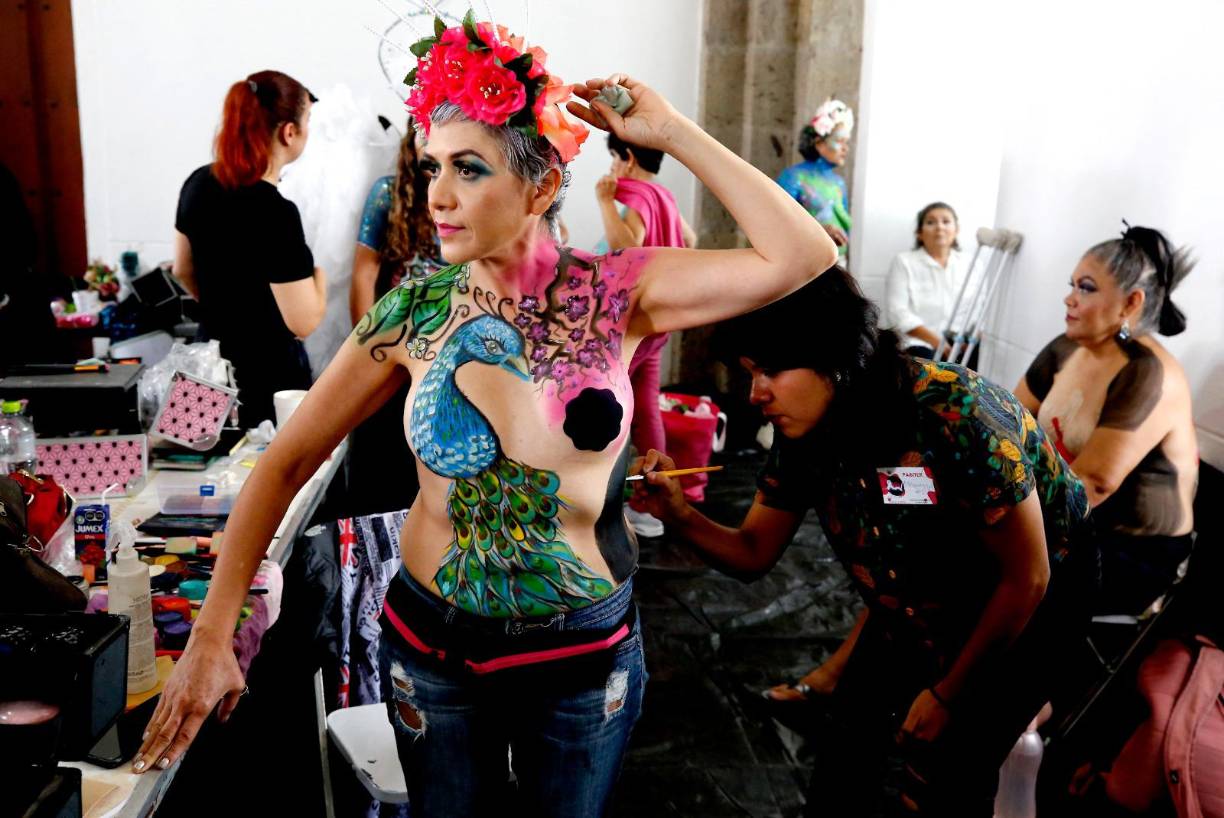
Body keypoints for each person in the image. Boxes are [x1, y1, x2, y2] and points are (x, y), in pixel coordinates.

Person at [135, 15, 838, 817]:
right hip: (434, 654)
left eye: (468, 169)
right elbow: (288, 461)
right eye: (433, 166)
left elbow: (805, 255)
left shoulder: (619, 291)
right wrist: (211, 635)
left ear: (540, 187)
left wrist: (673, 132)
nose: (437, 194)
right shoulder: (415, 310)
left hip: (582, 658)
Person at [632, 269, 1095, 816]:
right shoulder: (804, 429)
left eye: (772, 370)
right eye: (751, 373)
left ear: (834, 358)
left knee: (948, 770)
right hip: (920, 592)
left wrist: (947, 694)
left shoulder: (956, 412)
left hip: (1030, 604)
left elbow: (1028, 577)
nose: (756, 393)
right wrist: (680, 515)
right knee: (849, 750)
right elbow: (754, 552)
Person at [1015, 223, 1197, 615]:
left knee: (993, 568)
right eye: (1072, 285)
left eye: (1086, 288)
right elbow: (1009, 420)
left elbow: (1094, 484)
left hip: (1131, 551)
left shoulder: (1147, 373)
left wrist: (1004, 513)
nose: (1069, 298)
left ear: (1131, 303)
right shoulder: (1066, 348)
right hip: (1072, 519)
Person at [173, 70, 327, 427]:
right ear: (289, 132)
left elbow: (182, 269)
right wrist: (321, 279)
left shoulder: (197, 183)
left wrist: (224, 306)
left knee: (198, 455)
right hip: (265, 377)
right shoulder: (276, 212)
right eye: (307, 121)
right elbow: (303, 322)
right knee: (265, 462)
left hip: (205, 366)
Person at [594, 132, 696, 537]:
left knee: (610, 407)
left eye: (614, 159)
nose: (612, 168)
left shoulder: (636, 196)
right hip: (657, 323)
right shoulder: (664, 196)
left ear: (629, 157)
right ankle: (653, 504)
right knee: (647, 412)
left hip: (631, 326)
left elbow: (627, 250)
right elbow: (690, 240)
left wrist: (605, 202)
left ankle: (606, 500)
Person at [345, 125, 444, 516]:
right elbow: (364, 274)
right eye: (424, 132)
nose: (431, 141)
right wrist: (365, 352)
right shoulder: (388, 193)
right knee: (379, 471)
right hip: (392, 352)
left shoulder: (470, 193)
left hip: (446, 360)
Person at [885, 201, 969, 359]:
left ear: (956, 230)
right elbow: (897, 312)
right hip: (918, 343)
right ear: (919, 233)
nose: (939, 227)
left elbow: (978, 311)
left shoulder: (971, 265)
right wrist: (938, 342)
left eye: (946, 221)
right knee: (926, 364)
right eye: (931, 222)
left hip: (960, 342)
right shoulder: (904, 262)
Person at [776, 98, 853, 258]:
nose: (846, 148)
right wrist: (820, 232)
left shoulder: (839, 183)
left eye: (847, 142)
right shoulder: (793, 176)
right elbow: (777, 220)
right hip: (803, 261)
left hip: (837, 261)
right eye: (840, 141)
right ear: (819, 143)